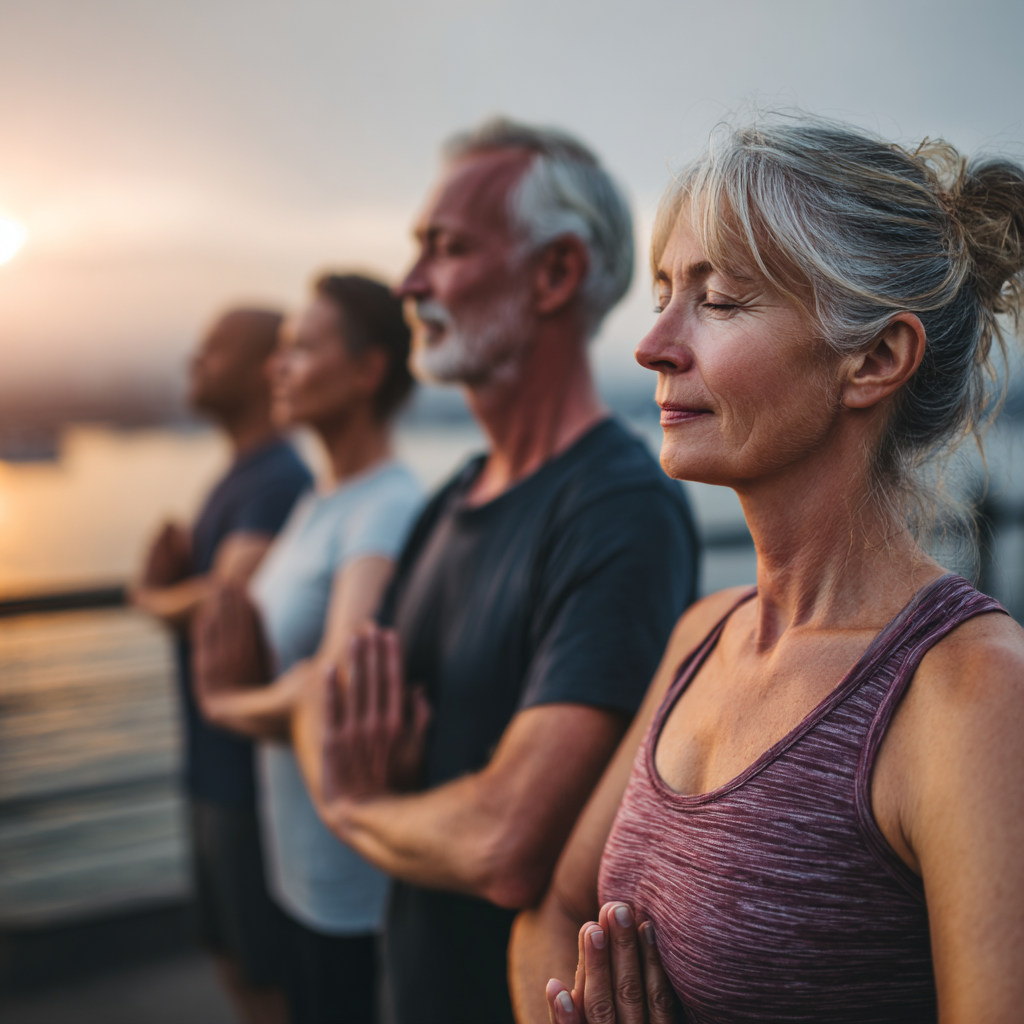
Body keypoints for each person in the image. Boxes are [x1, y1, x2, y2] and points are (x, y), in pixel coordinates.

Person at [509, 114, 1024, 1024]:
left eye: (718, 302)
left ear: (875, 359)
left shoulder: (972, 694)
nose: (653, 344)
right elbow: (549, 916)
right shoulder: (700, 636)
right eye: (663, 293)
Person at [291, 119, 701, 1024]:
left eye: (447, 248)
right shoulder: (450, 499)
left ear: (555, 273)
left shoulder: (619, 510)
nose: (410, 284)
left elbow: (504, 841)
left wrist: (356, 807)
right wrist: (409, 800)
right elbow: (339, 705)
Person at [191, 273, 422, 1024]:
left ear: (367, 370)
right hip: (291, 860)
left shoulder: (386, 507)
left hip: (346, 884)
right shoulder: (318, 501)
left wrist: (226, 703)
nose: (276, 366)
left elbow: (333, 684)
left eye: (301, 348)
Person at [133, 307, 312, 1024]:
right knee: (231, 958)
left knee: (268, 978)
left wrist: (149, 594)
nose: (195, 360)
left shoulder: (277, 477)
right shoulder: (242, 475)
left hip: (246, 777)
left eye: (214, 348)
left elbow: (226, 596)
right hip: (213, 765)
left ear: (263, 367)